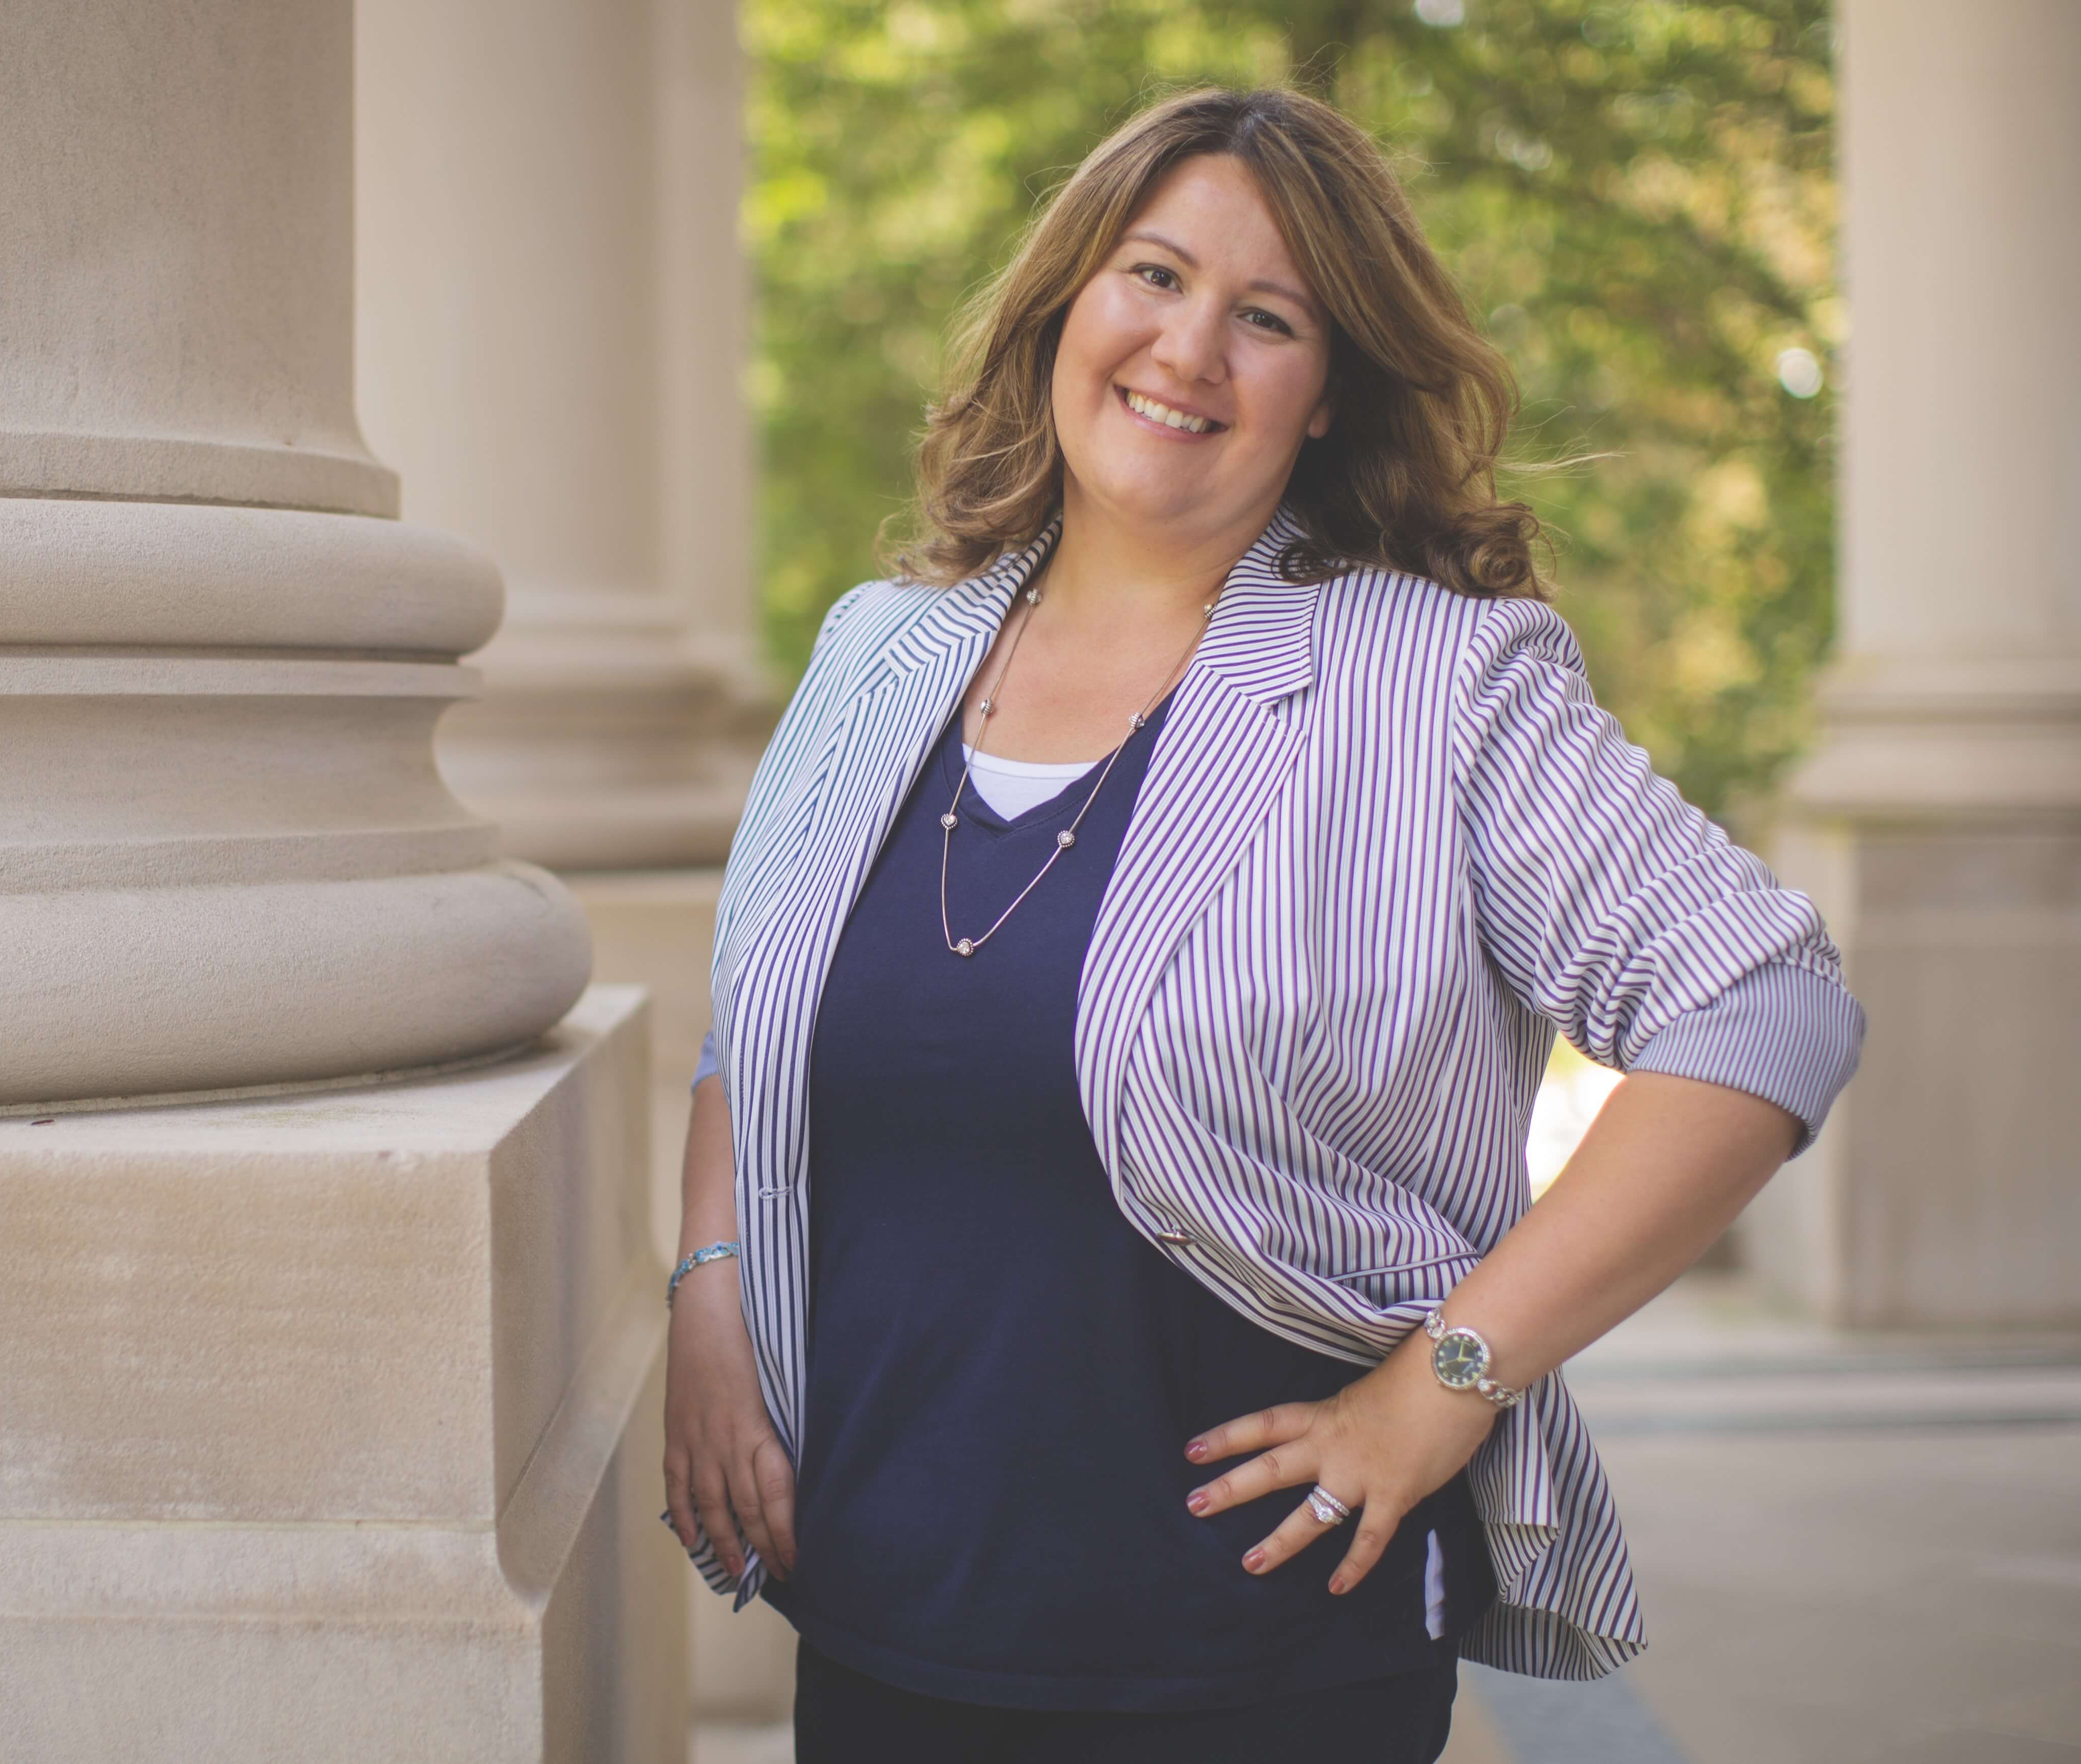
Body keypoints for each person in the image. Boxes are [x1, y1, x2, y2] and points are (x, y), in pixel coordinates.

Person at [662, 85, 1862, 1764]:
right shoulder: (881, 651)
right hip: (880, 1604)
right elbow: (756, 1011)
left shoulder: (1434, 682)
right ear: (1064, 304)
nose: (1188, 348)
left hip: (1249, 1651)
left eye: (1267, 316)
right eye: (1151, 276)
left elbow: (1763, 1005)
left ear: (1323, 396)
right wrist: (709, 1296)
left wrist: (1448, 1377)